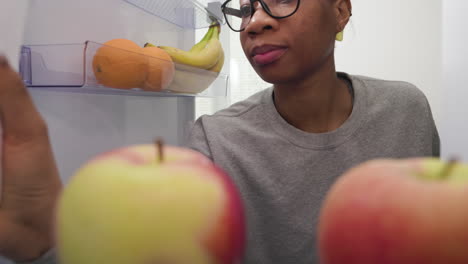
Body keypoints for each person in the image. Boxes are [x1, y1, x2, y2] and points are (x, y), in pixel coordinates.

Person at [0, 0, 439, 263]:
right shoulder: (215, 139)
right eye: (245, 9)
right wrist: (47, 248)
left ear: (341, 10)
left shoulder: (406, 109)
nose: (254, 23)